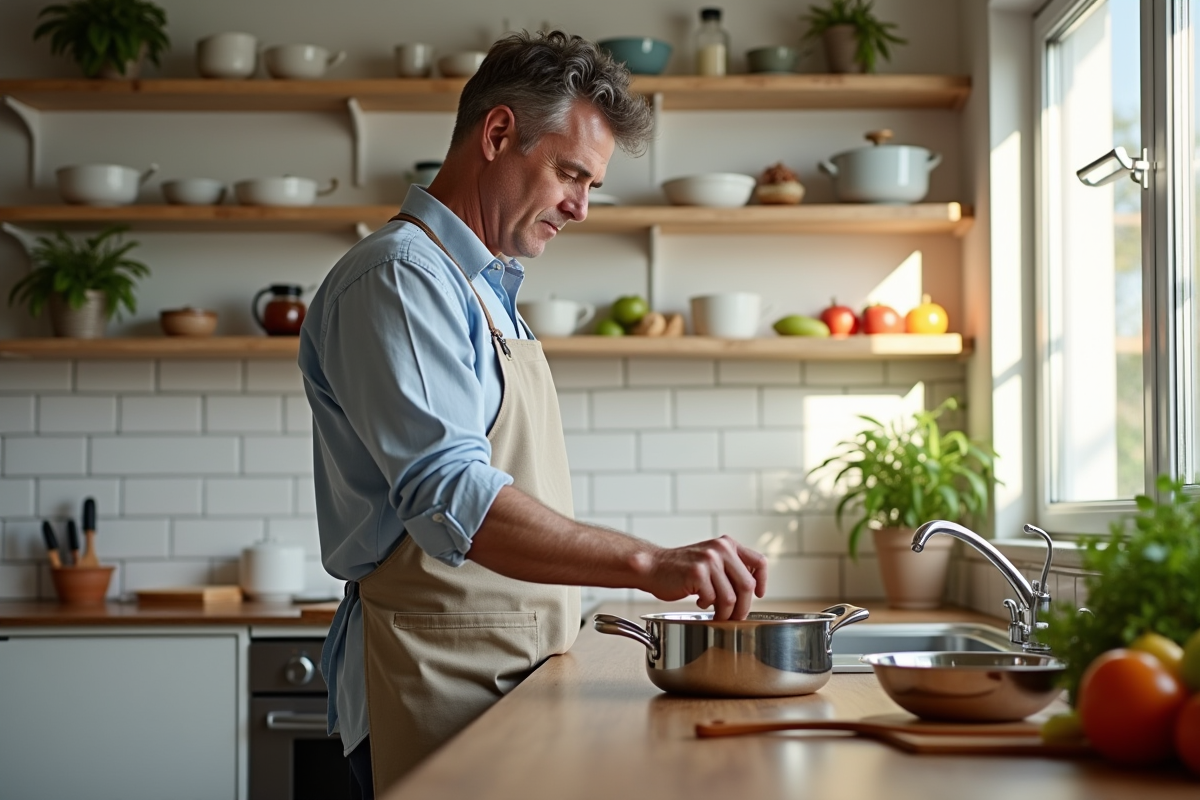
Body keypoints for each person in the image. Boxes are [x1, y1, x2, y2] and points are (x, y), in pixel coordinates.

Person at [298, 30, 768, 799]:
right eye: (571, 174)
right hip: (436, 686)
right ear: (498, 133)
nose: (581, 207)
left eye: (593, 185)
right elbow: (456, 500)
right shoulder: (400, 280)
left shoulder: (482, 287)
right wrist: (649, 565)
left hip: (506, 682)